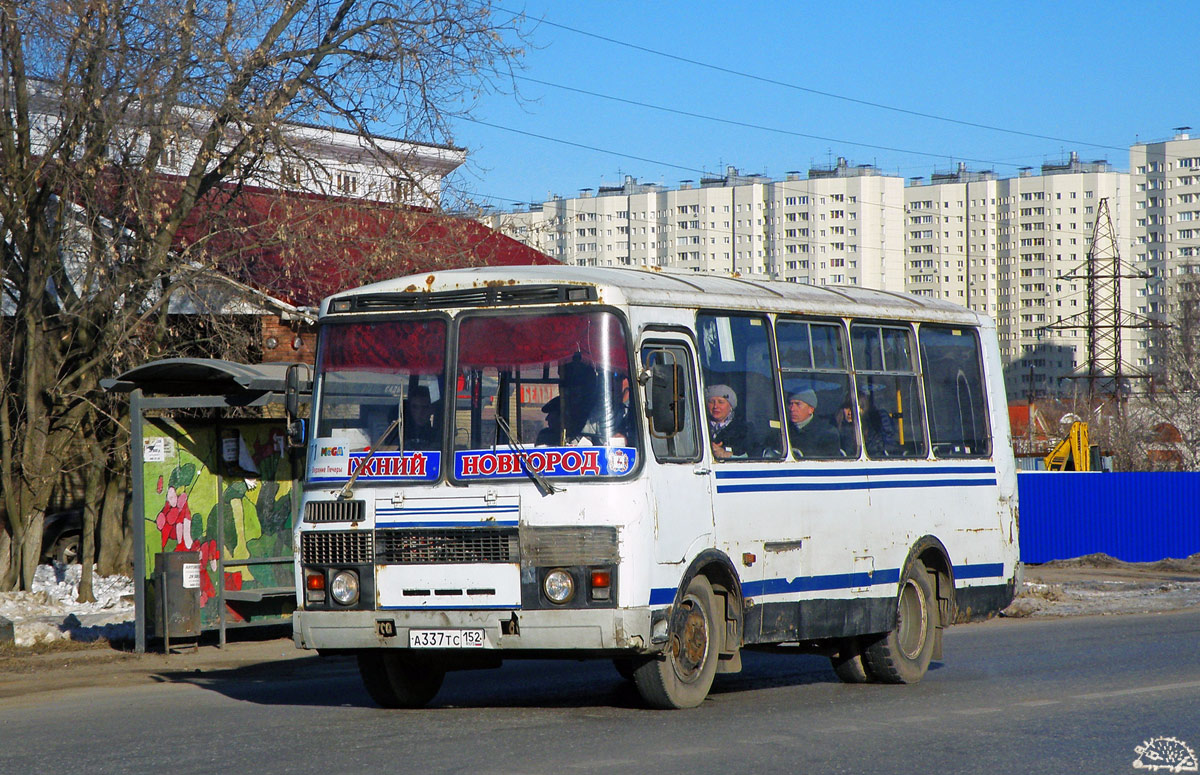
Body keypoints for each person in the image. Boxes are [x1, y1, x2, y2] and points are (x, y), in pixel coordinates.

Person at [785, 388, 841, 458]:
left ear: (811, 409)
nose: (792, 409)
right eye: (790, 404)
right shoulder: (784, 430)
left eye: (798, 404)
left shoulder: (827, 433)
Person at [705, 383, 753, 460]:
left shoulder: (744, 429)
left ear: (730, 406)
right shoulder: (700, 426)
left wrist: (726, 454)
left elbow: (753, 455)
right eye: (711, 401)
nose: (715, 406)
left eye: (721, 402)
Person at [402, 386, 439, 450]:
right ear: (409, 408)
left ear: (432, 409)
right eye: (415, 407)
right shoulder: (398, 434)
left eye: (425, 407)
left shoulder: (440, 436)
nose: (419, 412)